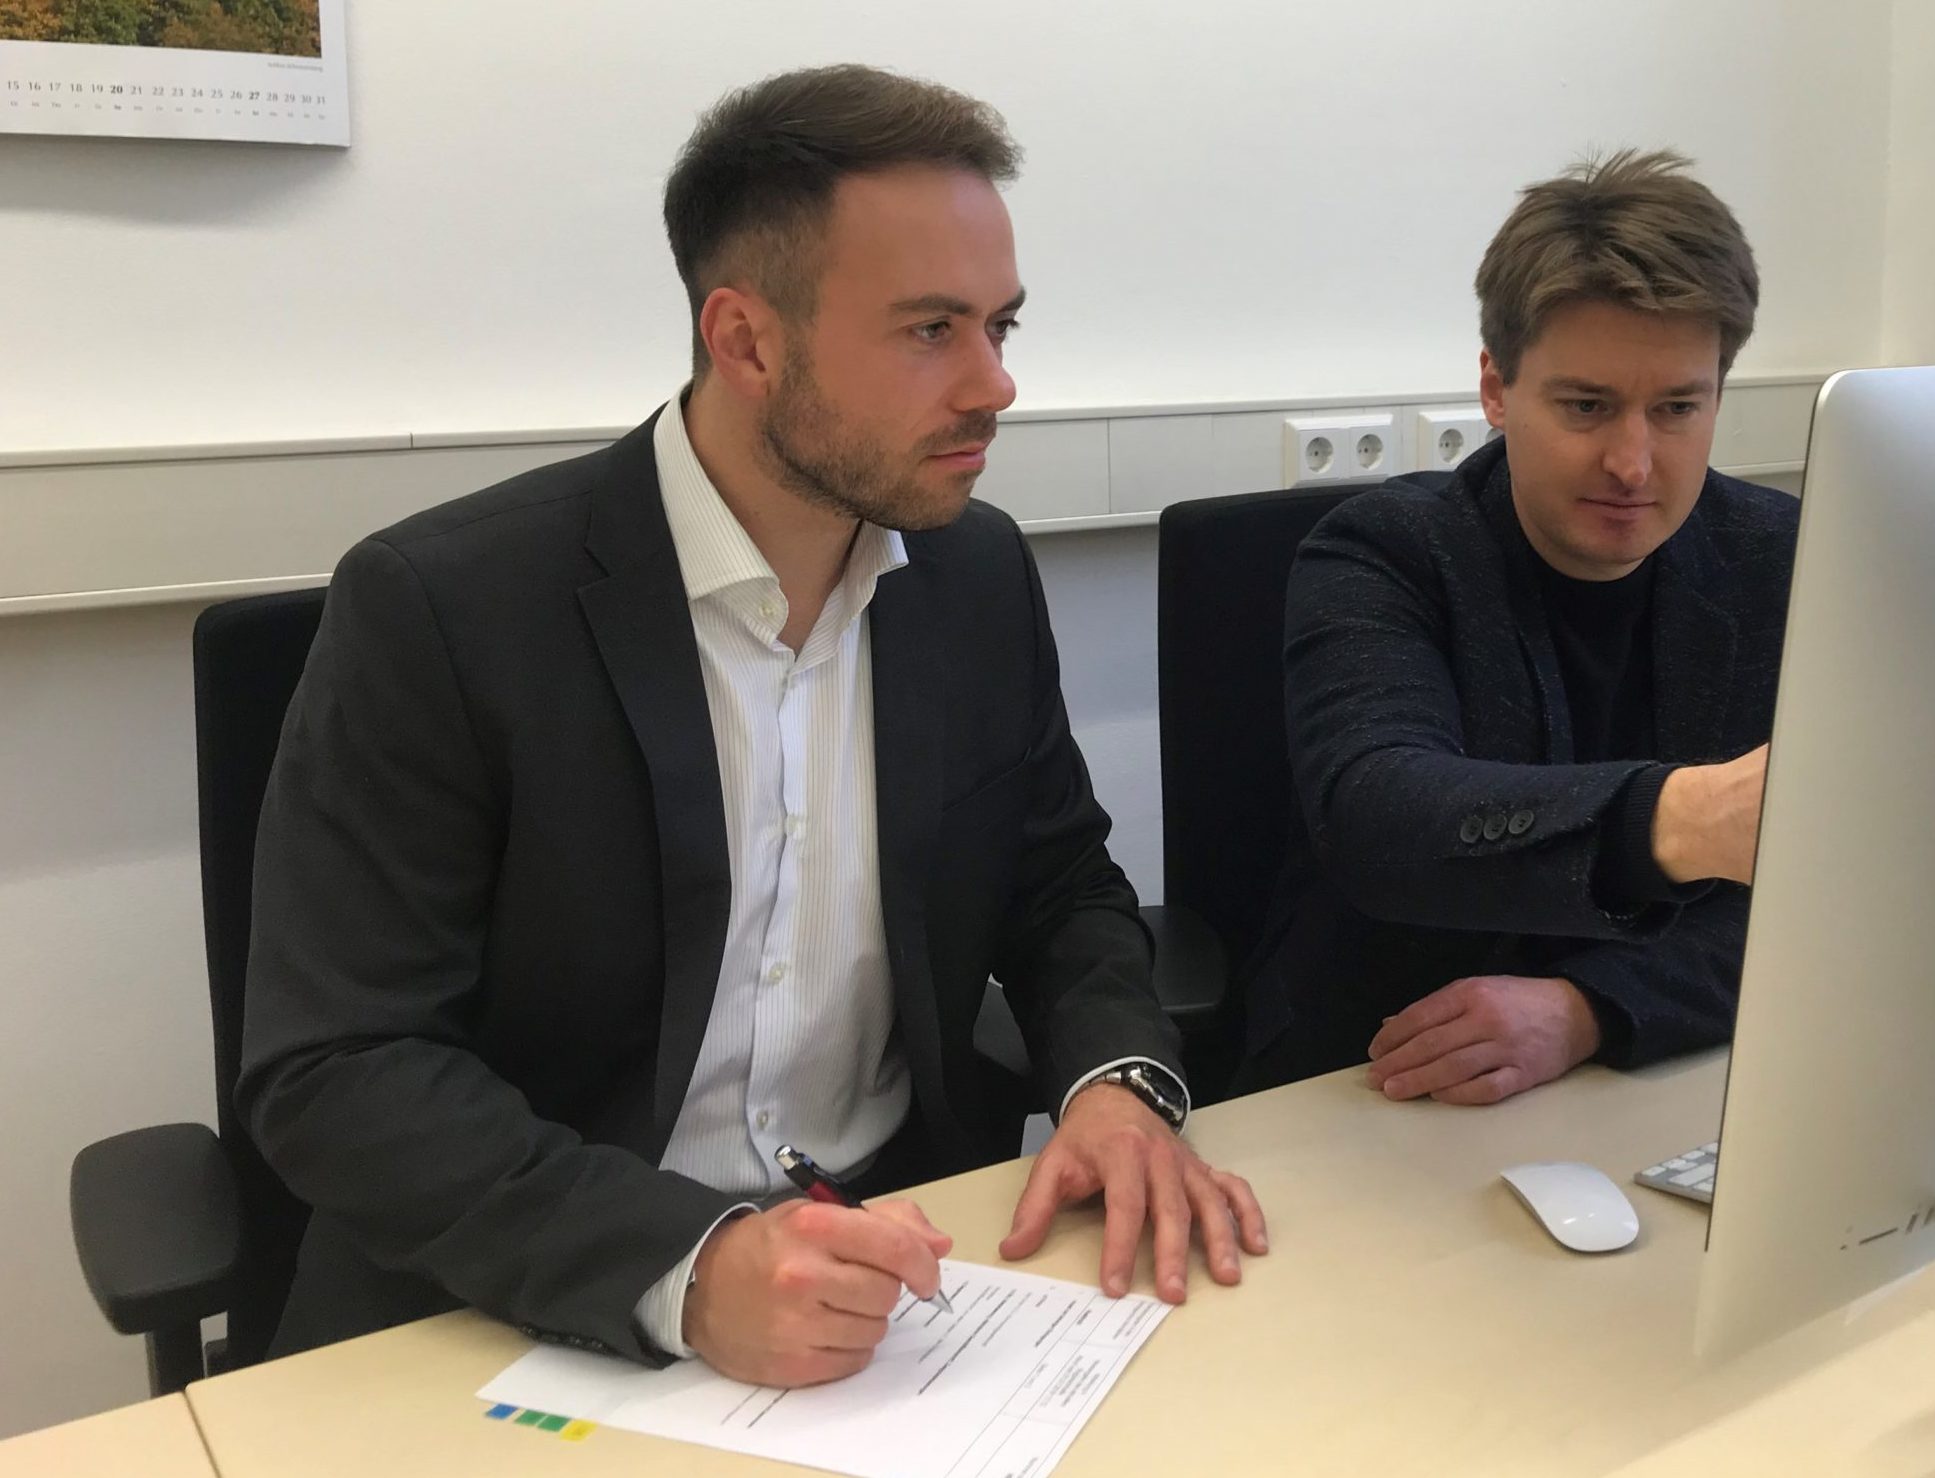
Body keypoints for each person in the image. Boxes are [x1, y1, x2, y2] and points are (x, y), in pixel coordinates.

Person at [239, 64, 1265, 1392]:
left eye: (1002, 325)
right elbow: (337, 1064)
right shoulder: (446, 608)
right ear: (747, 340)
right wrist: (689, 1261)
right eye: (931, 330)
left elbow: (1061, 885)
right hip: (524, 1300)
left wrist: (1117, 1083)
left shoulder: (973, 578)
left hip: (898, 1276)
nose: (995, 383)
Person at [1236, 149, 1796, 1107]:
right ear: (1496, 389)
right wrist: (1680, 818)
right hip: (1384, 1080)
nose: (1633, 463)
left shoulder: (1780, 555)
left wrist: (1592, 1007)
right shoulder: (1382, 551)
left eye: (1677, 408)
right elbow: (1381, 815)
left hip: (1662, 1068)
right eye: (1587, 406)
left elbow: (1825, 901)